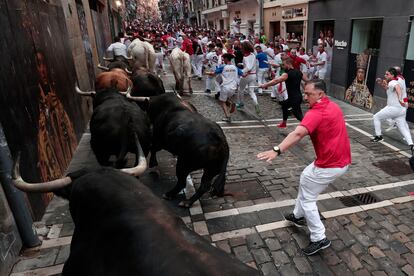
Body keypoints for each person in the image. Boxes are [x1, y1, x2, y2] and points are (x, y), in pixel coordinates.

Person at [257, 79, 351, 256]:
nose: (305, 97)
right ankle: (298, 215)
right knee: (306, 178)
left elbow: (298, 133)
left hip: (329, 165)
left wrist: (277, 150)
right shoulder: (333, 106)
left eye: (308, 94)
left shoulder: (316, 112)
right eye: (305, 93)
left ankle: (319, 238)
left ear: (320, 94)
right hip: (340, 161)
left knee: (308, 199)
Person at [35, 51, 78, 183]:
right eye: (38, 64)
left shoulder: (54, 90)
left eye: (44, 64)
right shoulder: (36, 97)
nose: (43, 70)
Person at [260, 57, 308, 128]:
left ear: (288, 64)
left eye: (284, 64)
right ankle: (284, 123)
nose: (283, 66)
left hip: (294, 99)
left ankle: (310, 127)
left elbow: (275, 81)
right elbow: (308, 81)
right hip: (297, 97)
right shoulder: (299, 72)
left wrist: (264, 85)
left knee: (299, 116)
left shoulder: (286, 74)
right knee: (284, 105)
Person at [371, 68, 413, 148]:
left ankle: (379, 136)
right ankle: (411, 145)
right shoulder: (395, 81)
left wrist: (400, 99)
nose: (385, 75)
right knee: (403, 128)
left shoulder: (394, 82)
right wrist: (381, 83)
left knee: (376, 117)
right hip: (401, 110)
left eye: (387, 74)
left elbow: (397, 88)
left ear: (393, 75)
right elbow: (389, 89)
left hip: (394, 108)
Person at [206, 53, 241, 122]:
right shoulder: (235, 67)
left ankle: (227, 116)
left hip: (225, 87)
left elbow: (213, 73)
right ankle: (231, 104)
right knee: (226, 98)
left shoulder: (223, 67)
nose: (222, 60)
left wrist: (206, 73)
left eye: (223, 58)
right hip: (233, 88)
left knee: (222, 101)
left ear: (226, 59)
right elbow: (243, 74)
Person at [238, 41, 260, 114]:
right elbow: (252, 64)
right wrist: (242, 64)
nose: (240, 48)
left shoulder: (245, 57)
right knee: (251, 91)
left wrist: (241, 71)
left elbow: (248, 67)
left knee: (240, 89)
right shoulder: (252, 55)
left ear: (244, 48)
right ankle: (256, 104)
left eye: (241, 47)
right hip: (253, 75)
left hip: (247, 75)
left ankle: (241, 103)